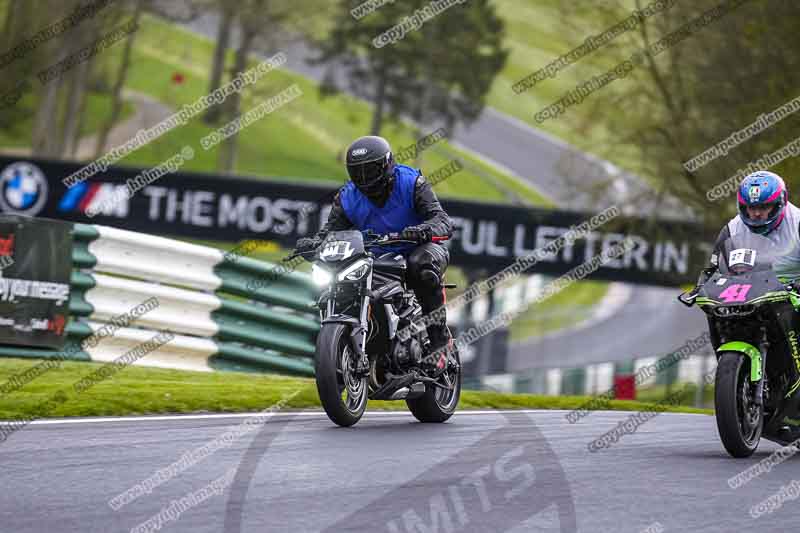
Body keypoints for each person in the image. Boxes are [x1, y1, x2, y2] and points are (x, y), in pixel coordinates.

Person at [295, 135, 454, 360]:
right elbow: (330, 232)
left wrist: (422, 231)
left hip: (418, 249)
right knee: (331, 275)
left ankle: (439, 341)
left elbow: (443, 220)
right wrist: (314, 245)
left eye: (369, 171)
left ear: (387, 165)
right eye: (357, 172)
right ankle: (340, 344)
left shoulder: (412, 183)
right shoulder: (347, 196)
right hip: (373, 258)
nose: (364, 178)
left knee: (422, 265)